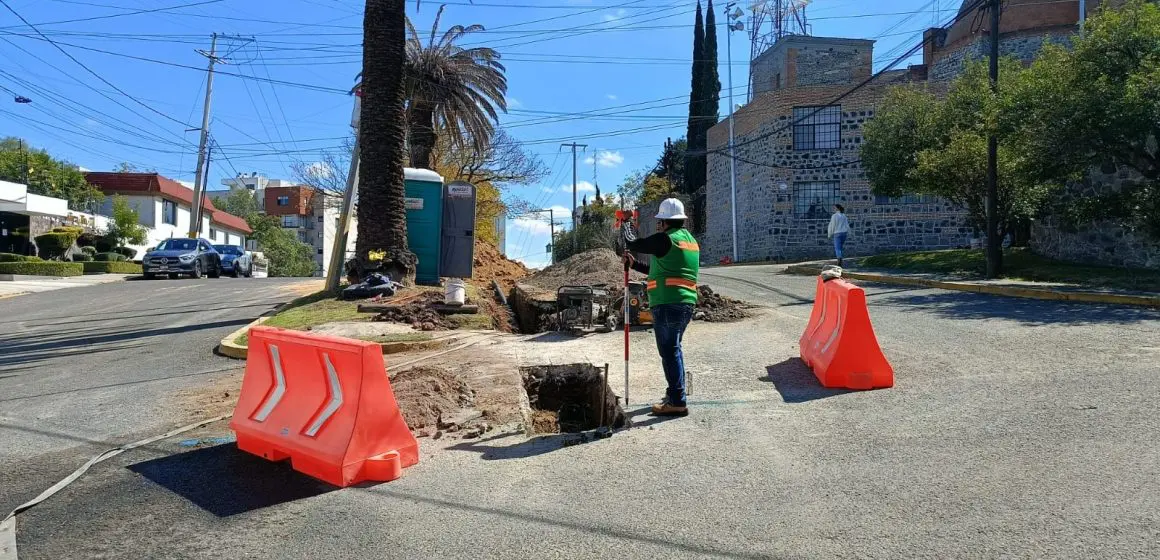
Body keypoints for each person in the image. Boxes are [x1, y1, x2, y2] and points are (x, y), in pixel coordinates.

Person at [622, 198, 699, 416]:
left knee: (669, 351)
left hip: (667, 303)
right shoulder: (688, 240)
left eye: (660, 220)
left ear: (665, 221)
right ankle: (675, 393)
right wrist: (635, 264)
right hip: (685, 303)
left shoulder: (666, 239)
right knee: (674, 349)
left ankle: (677, 401)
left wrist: (627, 221)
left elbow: (632, 243)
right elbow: (661, 271)